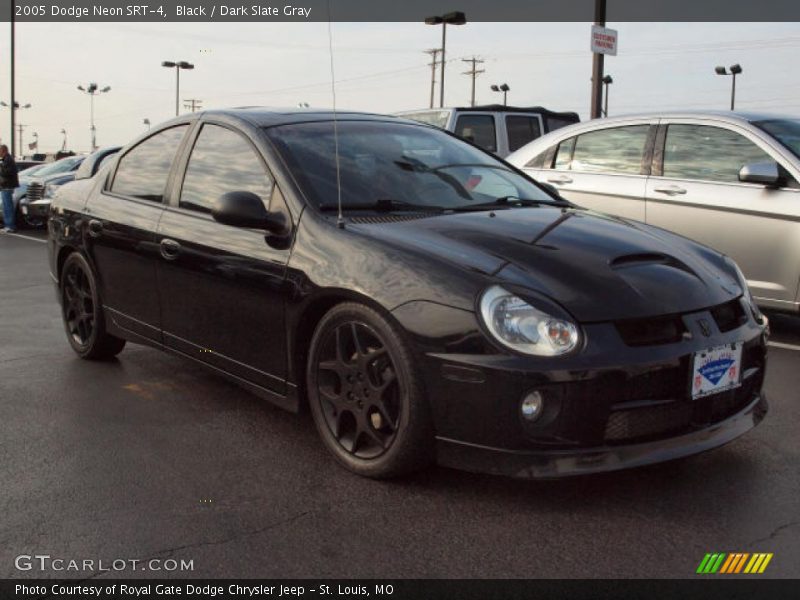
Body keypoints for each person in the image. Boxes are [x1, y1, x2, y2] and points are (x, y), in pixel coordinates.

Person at [0, 144, 20, 233]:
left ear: (3, 151)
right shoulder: (6, 159)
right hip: (5, 186)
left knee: (8, 206)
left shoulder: (8, 159)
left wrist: (0, 168)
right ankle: (8, 225)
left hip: (7, 186)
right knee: (6, 206)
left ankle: (10, 225)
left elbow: (7, 172)